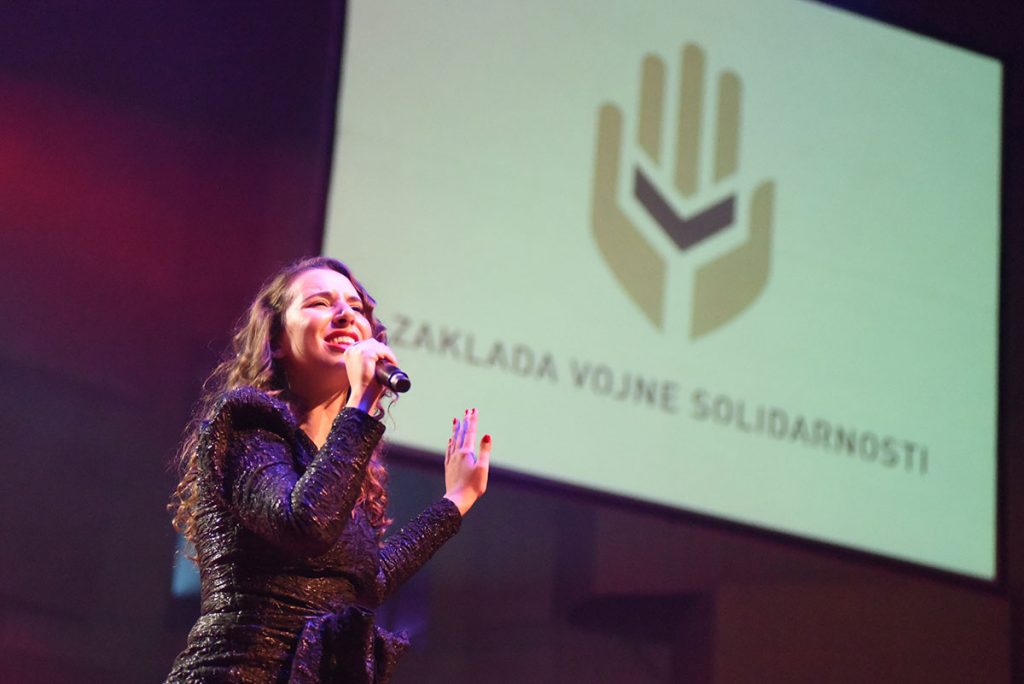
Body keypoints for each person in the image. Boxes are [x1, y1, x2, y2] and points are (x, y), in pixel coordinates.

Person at [165, 256, 490, 683]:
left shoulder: (345, 464)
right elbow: (305, 525)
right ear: (276, 340)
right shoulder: (246, 421)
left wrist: (456, 500)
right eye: (320, 303)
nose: (345, 315)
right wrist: (361, 404)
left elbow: (365, 583)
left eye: (356, 307)